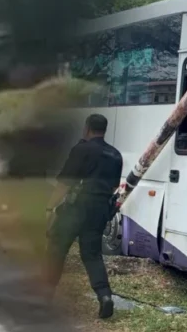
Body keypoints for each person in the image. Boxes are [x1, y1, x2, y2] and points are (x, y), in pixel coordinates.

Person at [43, 113, 123, 319]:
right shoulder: (115, 155)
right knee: (92, 255)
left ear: (87, 128)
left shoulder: (81, 149)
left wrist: (50, 208)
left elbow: (65, 183)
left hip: (76, 208)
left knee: (56, 249)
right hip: (99, 211)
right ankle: (105, 296)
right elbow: (114, 186)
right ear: (104, 130)